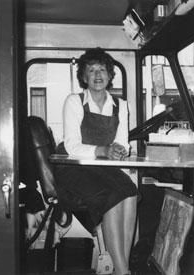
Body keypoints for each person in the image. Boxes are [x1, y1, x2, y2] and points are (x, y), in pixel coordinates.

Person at [55, 48, 139, 275]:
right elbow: (72, 147)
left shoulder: (121, 106)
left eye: (102, 69)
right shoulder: (74, 101)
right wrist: (104, 150)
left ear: (110, 75)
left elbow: (123, 142)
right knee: (112, 196)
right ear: (84, 77)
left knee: (130, 192)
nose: (97, 74)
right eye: (91, 70)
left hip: (103, 165)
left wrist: (120, 152)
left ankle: (122, 267)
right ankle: (123, 272)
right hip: (73, 165)